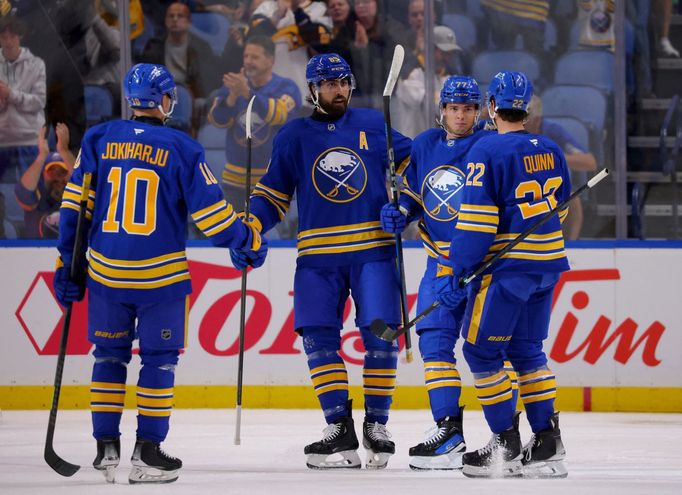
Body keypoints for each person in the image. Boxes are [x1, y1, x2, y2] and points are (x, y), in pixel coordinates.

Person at [52, 63, 266, 484]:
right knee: (159, 363)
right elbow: (214, 220)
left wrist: (68, 264)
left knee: (109, 358)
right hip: (160, 279)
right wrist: (247, 240)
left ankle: (105, 448)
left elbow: (74, 211)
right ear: (166, 100)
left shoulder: (97, 138)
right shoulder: (183, 148)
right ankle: (147, 451)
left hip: (107, 275)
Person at [232, 53, 411, 469]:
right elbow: (272, 195)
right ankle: (339, 427)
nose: (340, 90)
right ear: (313, 90)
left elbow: (414, 162)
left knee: (382, 335)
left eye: (344, 82)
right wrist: (251, 226)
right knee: (317, 337)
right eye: (330, 84)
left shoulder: (371, 124)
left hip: (373, 252)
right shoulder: (293, 136)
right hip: (317, 257)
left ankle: (376, 425)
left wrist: (404, 202)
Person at [435, 71, 570, 479]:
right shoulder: (551, 148)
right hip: (547, 265)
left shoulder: (487, 150)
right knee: (528, 351)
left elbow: (477, 224)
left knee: (480, 352)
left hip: (507, 272)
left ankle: (505, 442)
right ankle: (547, 440)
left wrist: (459, 271)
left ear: (491, 105)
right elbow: (560, 211)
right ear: (526, 106)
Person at [382, 75, 492, 470]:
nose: (460, 116)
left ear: (479, 111)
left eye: (467, 109)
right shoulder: (427, 144)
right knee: (434, 345)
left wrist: (471, 269)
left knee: (492, 351)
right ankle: (449, 431)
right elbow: (415, 198)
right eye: (454, 108)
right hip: (439, 264)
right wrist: (400, 213)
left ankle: (508, 435)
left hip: (485, 266)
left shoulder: (490, 146)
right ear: (442, 109)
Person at [208, 35, 301, 235]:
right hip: (234, 183)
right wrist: (232, 97)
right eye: (246, 55)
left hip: (274, 182)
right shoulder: (234, 86)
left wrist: (247, 93)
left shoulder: (287, 88)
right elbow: (216, 119)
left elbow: (280, 114)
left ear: (270, 60)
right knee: (234, 236)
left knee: (274, 238)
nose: (248, 61)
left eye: (255, 57)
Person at [525, 95, 597, 240]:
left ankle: (571, 246)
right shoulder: (509, 133)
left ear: (537, 119)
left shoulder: (553, 132)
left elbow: (590, 162)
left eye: (525, 119)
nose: (520, 124)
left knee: (572, 199)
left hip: (551, 189)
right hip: (522, 188)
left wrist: (555, 157)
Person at [395, 24, 466, 138]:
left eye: (450, 53)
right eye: (443, 52)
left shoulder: (452, 75)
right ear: (429, 49)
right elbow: (431, 106)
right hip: (413, 145)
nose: (446, 57)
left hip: (440, 144)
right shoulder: (410, 73)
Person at [0, 15, 46, 182]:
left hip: (29, 140)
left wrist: (10, 95)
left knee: (32, 195)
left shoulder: (36, 64)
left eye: (12, 36)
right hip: (1, 140)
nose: (8, 42)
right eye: (3, 37)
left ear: (20, 37)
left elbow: (39, 102)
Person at [138, 2, 218, 99]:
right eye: (171, 16)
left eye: (180, 16)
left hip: (192, 97)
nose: (175, 19)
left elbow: (209, 80)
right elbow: (146, 80)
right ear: (166, 21)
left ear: (189, 22)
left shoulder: (201, 48)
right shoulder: (154, 46)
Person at [15, 123, 76, 239]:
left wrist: (64, 151)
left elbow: (85, 185)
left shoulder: (77, 199)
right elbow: (23, 191)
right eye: (52, 173)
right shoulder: (37, 198)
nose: (58, 178)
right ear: (43, 175)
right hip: (35, 255)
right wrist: (42, 156)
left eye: (62, 172)